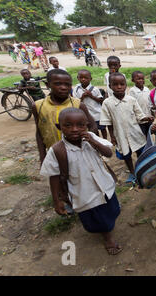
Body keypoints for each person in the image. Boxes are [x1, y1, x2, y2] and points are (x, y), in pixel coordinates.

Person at [39, 107, 122, 255]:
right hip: (84, 192)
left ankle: (107, 226)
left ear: (87, 126)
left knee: (112, 209)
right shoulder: (57, 150)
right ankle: (107, 236)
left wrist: (94, 142)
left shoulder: (91, 137)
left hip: (104, 185)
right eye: (68, 125)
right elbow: (54, 176)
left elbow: (108, 153)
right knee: (97, 218)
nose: (75, 129)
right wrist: (56, 200)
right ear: (59, 127)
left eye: (80, 125)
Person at [32, 69, 97, 165]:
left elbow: (92, 126)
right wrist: (43, 157)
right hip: (54, 155)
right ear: (48, 85)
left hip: (78, 153)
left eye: (67, 84)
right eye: (58, 84)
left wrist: (90, 143)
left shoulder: (77, 104)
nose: (63, 87)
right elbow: (39, 132)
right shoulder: (38, 106)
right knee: (60, 178)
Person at [100, 73, 154, 184]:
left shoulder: (131, 100)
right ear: (110, 86)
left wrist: (146, 118)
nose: (119, 87)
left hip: (135, 132)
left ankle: (142, 169)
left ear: (126, 85)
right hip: (120, 134)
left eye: (122, 84)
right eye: (115, 84)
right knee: (126, 155)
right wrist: (113, 136)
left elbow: (139, 116)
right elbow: (108, 122)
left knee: (140, 152)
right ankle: (132, 171)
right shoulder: (107, 103)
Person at [73, 70, 107, 139]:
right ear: (78, 78)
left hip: (97, 113)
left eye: (86, 78)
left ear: (90, 79)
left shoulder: (95, 89)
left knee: (102, 128)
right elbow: (75, 102)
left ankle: (105, 140)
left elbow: (100, 100)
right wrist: (82, 97)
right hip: (86, 115)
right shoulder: (76, 89)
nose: (83, 79)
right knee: (94, 129)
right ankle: (98, 139)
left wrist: (91, 96)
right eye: (81, 77)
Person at [129, 71, 152, 136]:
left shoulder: (147, 89)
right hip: (139, 119)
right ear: (133, 80)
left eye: (142, 79)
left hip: (148, 117)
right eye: (138, 79)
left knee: (148, 134)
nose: (141, 80)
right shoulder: (132, 91)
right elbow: (132, 105)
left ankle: (148, 145)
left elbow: (150, 102)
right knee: (141, 135)